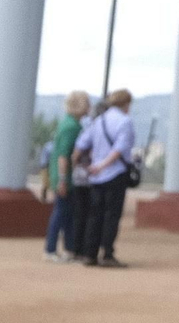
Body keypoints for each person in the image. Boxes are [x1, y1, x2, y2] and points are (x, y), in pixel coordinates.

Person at [73, 88, 138, 268]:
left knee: (94, 215)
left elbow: (81, 143)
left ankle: (90, 253)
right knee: (111, 215)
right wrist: (104, 165)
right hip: (115, 174)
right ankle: (107, 253)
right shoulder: (125, 122)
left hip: (95, 176)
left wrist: (83, 165)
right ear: (126, 104)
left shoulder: (99, 121)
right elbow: (120, 148)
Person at [43, 91, 89, 263]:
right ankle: (50, 249)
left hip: (63, 175)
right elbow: (63, 155)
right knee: (61, 213)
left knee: (68, 213)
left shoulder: (68, 124)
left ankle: (69, 249)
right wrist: (63, 179)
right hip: (66, 176)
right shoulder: (72, 127)